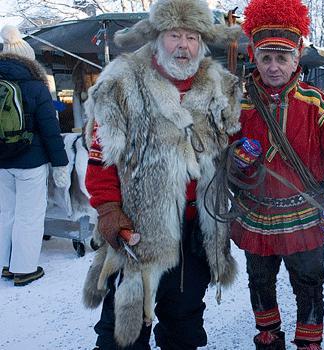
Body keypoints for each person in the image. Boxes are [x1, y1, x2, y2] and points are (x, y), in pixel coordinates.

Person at [81, 0, 241, 348]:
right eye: (174, 35)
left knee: (183, 327)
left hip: (197, 230)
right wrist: (109, 209)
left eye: (192, 37)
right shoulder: (122, 83)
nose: (183, 45)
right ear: (156, 37)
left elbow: (236, 147)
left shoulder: (220, 86)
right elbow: (100, 161)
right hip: (139, 232)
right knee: (124, 332)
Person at [233, 1, 324, 349]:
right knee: (259, 279)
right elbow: (221, 163)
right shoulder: (238, 104)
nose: (273, 67)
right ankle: (268, 336)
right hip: (255, 214)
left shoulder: (316, 102)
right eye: (266, 58)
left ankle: (309, 341)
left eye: (282, 58)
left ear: (296, 58)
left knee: (309, 281)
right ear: (254, 56)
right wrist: (238, 158)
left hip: (305, 214)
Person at [0, 25, 69, 286]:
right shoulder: (35, 86)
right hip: (30, 162)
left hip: (1, 162)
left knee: (6, 212)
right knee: (29, 214)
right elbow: (51, 131)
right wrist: (60, 164)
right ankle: (25, 269)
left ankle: (6, 265)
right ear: (29, 58)